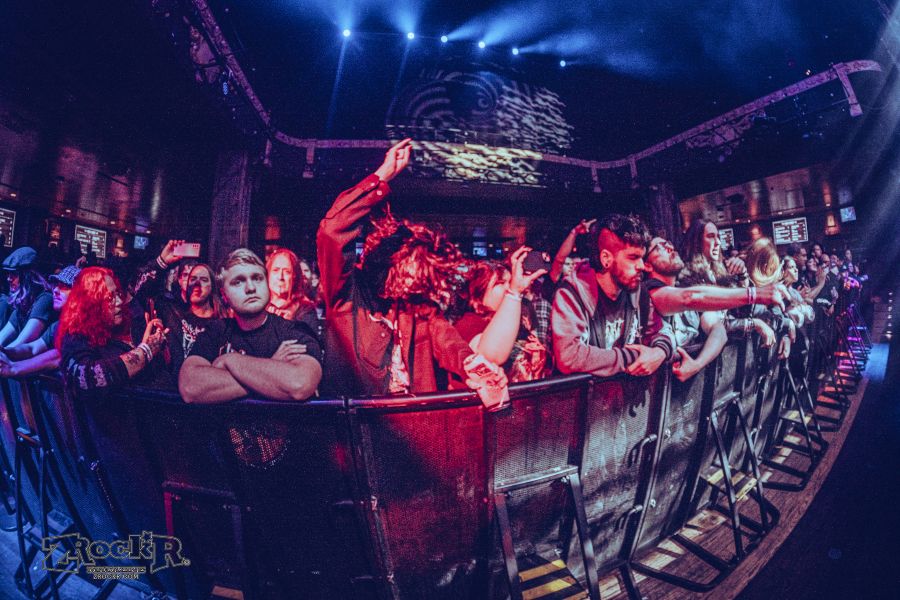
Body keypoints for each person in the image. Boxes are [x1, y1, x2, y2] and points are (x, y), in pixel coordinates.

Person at [317, 138, 535, 396]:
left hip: (414, 420)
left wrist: (475, 368)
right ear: (392, 263)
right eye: (412, 269)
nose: (415, 281)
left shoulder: (419, 308)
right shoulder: (347, 294)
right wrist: (382, 176)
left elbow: (450, 344)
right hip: (357, 420)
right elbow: (332, 231)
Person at [178, 248, 322, 404]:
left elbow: (299, 384)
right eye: (238, 282)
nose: (251, 288)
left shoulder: (294, 332)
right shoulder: (215, 331)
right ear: (224, 294)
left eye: (257, 278)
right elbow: (190, 388)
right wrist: (272, 366)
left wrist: (230, 360)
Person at [643, 236, 785, 382]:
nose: (670, 247)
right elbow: (690, 297)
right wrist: (755, 294)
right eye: (660, 246)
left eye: (669, 243)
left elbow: (718, 329)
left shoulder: (683, 290)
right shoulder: (650, 291)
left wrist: (697, 364)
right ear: (646, 265)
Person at [551, 213, 674, 377]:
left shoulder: (637, 292)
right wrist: (636, 356)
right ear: (606, 259)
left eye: (642, 257)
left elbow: (662, 330)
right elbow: (569, 356)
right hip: (587, 393)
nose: (641, 266)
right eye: (633, 257)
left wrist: (660, 352)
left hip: (622, 392)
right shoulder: (572, 294)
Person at [58, 267, 168, 394]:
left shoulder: (129, 325)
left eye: (118, 294)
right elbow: (84, 377)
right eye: (110, 298)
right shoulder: (76, 337)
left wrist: (159, 347)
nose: (120, 301)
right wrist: (145, 351)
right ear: (91, 304)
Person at [453, 253, 550, 383]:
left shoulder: (519, 317)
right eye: (501, 283)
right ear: (479, 290)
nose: (509, 287)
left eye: (510, 282)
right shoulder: (468, 323)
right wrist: (514, 293)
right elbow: (491, 357)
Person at [678, 219, 776, 346]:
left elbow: (742, 311)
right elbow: (714, 326)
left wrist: (743, 275)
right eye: (710, 236)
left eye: (718, 237)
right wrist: (754, 323)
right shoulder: (687, 278)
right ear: (696, 242)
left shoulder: (721, 272)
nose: (718, 242)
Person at [0, 265, 80, 377]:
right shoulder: (59, 325)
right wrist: (5, 351)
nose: (55, 290)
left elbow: (56, 357)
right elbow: (32, 348)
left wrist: (13, 368)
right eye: (57, 285)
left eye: (64, 286)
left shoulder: (84, 326)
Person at [0, 246, 54, 348]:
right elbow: (2, 337)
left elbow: (21, 343)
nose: (8, 279)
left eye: (14, 274)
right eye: (8, 273)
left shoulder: (45, 299)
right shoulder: (24, 303)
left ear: (28, 276)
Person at [265, 247, 318, 335]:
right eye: (275, 270)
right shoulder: (259, 306)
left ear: (295, 276)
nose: (280, 277)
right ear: (268, 274)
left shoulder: (305, 309)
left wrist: (291, 325)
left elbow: (311, 341)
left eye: (287, 272)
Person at [548, 219, 596, 284]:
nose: (571, 267)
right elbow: (560, 258)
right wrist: (574, 232)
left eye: (573, 264)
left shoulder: (580, 284)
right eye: (567, 264)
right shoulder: (556, 279)